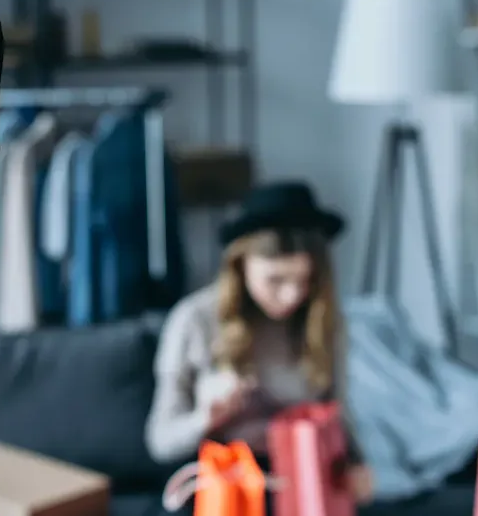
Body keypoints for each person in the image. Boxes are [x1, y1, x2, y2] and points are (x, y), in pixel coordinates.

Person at [145, 182, 375, 505]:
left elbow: (339, 413)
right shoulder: (194, 320)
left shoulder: (325, 321)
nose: (292, 296)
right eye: (276, 280)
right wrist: (207, 418)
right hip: (226, 491)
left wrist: (356, 465)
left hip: (303, 481)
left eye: (304, 280)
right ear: (240, 267)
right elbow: (161, 441)